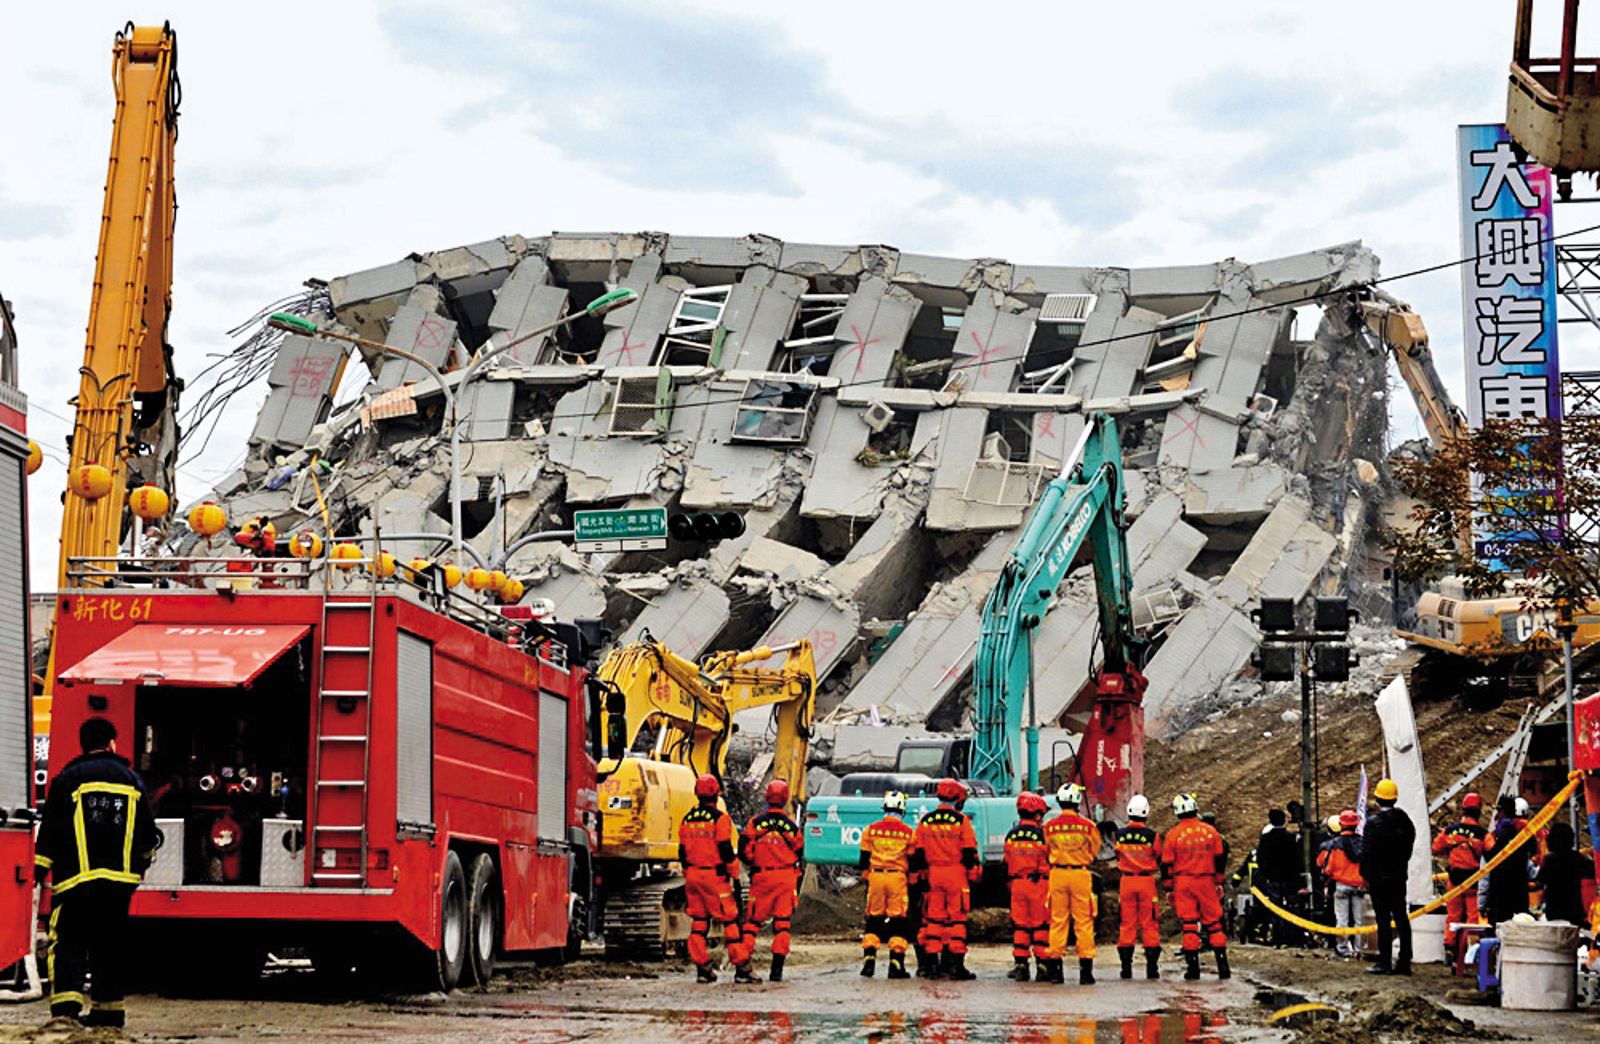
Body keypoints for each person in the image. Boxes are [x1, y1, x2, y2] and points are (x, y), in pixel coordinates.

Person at [34, 718, 159, 1028]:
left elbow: (50, 830)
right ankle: (109, 1013)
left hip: (77, 882)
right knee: (110, 946)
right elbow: (148, 834)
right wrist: (140, 866)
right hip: (119, 885)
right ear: (112, 743)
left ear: (83, 743)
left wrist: (37, 870)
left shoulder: (68, 779)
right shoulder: (132, 781)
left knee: (68, 944)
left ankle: (66, 1013)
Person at [678, 774, 753, 983]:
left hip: (692, 875)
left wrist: (688, 873)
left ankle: (702, 968)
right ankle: (742, 968)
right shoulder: (720, 818)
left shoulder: (687, 818)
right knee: (730, 921)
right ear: (716, 792)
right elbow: (725, 848)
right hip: (713, 876)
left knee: (699, 922)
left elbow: (682, 851)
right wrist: (734, 872)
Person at [911, 777, 980, 980]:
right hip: (955, 875)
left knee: (933, 919)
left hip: (933, 875)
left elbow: (918, 853)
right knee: (956, 921)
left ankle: (932, 966)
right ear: (957, 799)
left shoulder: (926, 821)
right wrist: (973, 873)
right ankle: (955, 966)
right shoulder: (962, 821)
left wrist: (920, 877)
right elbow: (969, 851)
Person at [738, 778, 804, 982]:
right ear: (785, 799)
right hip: (785, 879)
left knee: (752, 924)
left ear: (767, 797)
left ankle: (743, 968)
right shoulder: (792, 827)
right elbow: (799, 851)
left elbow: (744, 850)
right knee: (782, 924)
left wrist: (755, 863)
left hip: (762, 877)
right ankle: (777, 972)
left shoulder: (755, 823)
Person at [1161, 792, 1230, 981]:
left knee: (1190, 925)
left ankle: (1193, 969)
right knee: (1214, 925)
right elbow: (1220, 857)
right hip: (1206, 881)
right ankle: (1223, 966)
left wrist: (1168, 888)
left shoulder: (1173, 834)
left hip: (1183, 882)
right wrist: (1219, 881)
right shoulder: (1210, 832)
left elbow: (1166, 863)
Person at [1043, 783, 1100, 985]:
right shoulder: (1088, 826)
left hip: (1057, 874)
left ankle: (1056, 971)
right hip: (1080, 875)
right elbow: (1095, 849)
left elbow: (1046, 849)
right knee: (1083, 921)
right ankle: (1086, 972)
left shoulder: (1050, 826)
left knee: (1058, 920)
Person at [1360, 778, 1415, 976]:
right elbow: (1408, 848)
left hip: (1379, 879)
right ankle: (1404, 961)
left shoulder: (1373, 824)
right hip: (1398, 876)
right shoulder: (1405, 821)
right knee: (1401, 917)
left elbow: (1367, 853)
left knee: (1383, 919)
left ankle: (1384, 962)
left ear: (1377, 799)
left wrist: (1365, 876)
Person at [857, 790, 915, 980]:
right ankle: (895, 965)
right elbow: (913, 859)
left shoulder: (871, 830)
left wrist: (867, 877)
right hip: (897, 878)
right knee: (898, 921)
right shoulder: (908, 832)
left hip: (876, 877)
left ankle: (869, 961)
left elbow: (864, 859)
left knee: (874, 919)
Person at [1003, 791, 1051, 982]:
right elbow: (1049, 858)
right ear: (1038, 814)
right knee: (1041, 925)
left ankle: (1021, 965)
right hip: (1038, 883)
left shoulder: (1011, 834)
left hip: (1017, 884)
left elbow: (1006, 860)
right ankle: (1043, 964)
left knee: (1020, 926)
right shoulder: (1043, 834)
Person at [1432, 792, 1490, 951]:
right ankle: (1471, 950)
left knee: (1453, 915)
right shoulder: (1483, 834)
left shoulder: (1450, 831)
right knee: (1472, 918)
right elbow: (1492, 852)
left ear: (1463, 810)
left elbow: (1436, 848)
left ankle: (1450, 946)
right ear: (1478, 812)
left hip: (1454, 879)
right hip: (1473, 881)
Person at [1115, 794, 1163, 980]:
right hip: (1146, 882)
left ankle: (1126, 968)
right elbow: (1158, 855)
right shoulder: (1152, 836)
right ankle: (1152, 968)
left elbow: (1117, 853)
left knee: (1127, 924)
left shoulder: (1120, 834)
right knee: (1149, 923)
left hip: (1126, 881)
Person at [1316, 809, 1366, 958]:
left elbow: (1323, 864)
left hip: (1341, 885)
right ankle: (1359, 950)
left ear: (1341, 825)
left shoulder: (1333, 845)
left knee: (1342, 920)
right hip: (1360, 885)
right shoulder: (1364, 843)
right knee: (1359, 921)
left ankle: (1343, 949)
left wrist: (1327, 882)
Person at [1254, 809, 1302, 948]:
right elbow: (1298, 859)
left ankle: (1277, 939)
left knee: (1275, 909)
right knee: (1292, 907)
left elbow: (1261, 859)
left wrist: (1267, 875)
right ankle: (1293, 937)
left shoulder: (1266, 839)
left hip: (1273, 879)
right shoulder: (1292, 838)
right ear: (1284, 820)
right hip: (1290, 879)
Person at [1484, 794, 1530, 929]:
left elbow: (1485, 873)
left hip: (1497, 898)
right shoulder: (1523, 837)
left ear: (1502, 811)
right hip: (1519, 897)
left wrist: (1482, 903)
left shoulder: (1493, 838)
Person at [1537, 821, 1594, 925]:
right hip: (1574, 908)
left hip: (1554, 908)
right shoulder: (1577, 858)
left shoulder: (1549, 860)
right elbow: (1591, 873)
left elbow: (1539, 882)